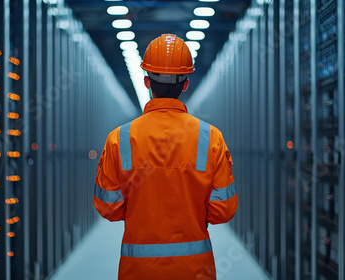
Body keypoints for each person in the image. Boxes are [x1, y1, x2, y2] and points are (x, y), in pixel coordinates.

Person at [93, 34, 238, 280]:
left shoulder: (120, 138)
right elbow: (222, 211)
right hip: (195, 271)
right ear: (185, 84)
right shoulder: (210, 137)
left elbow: (109, 208)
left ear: (147, 82)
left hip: (137, 271)